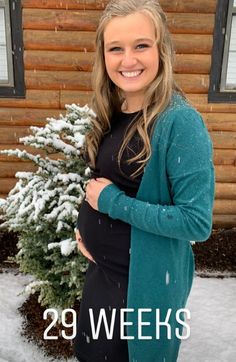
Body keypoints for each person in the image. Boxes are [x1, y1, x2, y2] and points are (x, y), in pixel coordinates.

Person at [73, 0, 215, 361]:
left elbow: (196, 222)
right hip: (103, 279)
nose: (128, 60)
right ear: (103, 56)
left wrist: (112, 205)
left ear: (161, 49)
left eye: (141, 45)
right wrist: (83, 226)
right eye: (115, 48)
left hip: (144, 293)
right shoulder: (116, 108)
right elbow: (104, 179)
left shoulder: (180, 123)